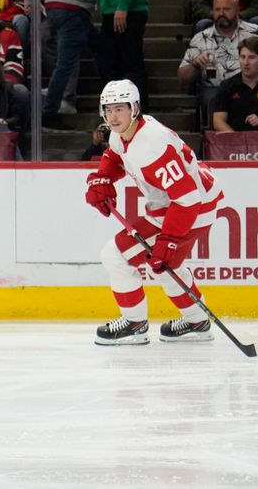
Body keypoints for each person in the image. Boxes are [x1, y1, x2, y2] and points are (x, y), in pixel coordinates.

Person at [85, 79, 224, 345]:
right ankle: (197, 321)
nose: (113, 117)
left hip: (192, 206)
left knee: (117, 255)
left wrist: (169, 239)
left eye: (119, 109)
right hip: (176, 204)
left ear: (134, 108)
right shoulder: (122, 133)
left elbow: (187, 199)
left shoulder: (152, 145)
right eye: (108, 109)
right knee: (167, 266)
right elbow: (116, 156)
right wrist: (102, 179)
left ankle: (135, 324)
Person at [19, 0, 101, 128]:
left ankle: (113, 87)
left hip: (54, 5)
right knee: (66, 63)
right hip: (75, 6)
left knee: (101, 48)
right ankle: (50, 110)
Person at [177, 0, 258, 123]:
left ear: (237, 10)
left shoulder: (255, 32)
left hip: (252, 86)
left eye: (226, 9)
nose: (221, 13)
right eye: (217, 9)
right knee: (216, 99)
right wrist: (195, 64)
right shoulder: (201, 39)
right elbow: (182, 78)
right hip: (215, 89)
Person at [99, 0, 149, 111]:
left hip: (128, 12)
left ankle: (138, 114)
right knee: (109, 66)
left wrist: (123, 5)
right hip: (111, 11)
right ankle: (116, 113)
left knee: (131, 66)